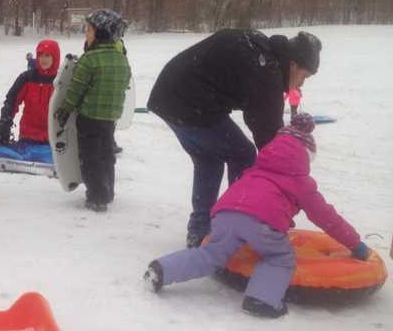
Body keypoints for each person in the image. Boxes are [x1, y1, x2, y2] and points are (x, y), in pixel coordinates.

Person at [143, 113, 370, 318]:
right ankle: (260, 300)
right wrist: (355, 244)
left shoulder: (255, 169)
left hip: (224, 214)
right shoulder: (300, 182)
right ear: (305, 156)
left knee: (211, 253)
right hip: (262, 223)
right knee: (280, 259)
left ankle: (162, 269)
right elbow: (327, 218)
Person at [147, 29, 322, 248]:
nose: (302, 84)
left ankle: (200, 231)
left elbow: (261, 121)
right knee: (243, 155)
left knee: (208, 159)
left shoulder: (262, 52)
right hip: (190, 104)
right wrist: (285, 196)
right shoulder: (267, 71)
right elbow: (272, 145)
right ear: (294, 64)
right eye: (305, 76)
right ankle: (240, 221)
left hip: (168, 96)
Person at [54, 10, 131, 212]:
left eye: (88, 30)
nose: (85, 34)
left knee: (90, 157)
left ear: (101, 33)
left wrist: (65, 109)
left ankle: (96, 197)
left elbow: (76, 89)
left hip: (88, 118)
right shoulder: (121, 59)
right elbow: (124, 84)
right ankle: (108, 190)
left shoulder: (90, 59)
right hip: (109, 118)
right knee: (106, 155)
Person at [0, 40, 60, 145]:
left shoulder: (60, 82)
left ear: (55, 57)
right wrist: (5, 122)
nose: (43, 59)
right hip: (28, 135)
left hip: (54, 138)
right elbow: (12, 100)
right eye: (40, 55)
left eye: (47, 55)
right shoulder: (27, 78)